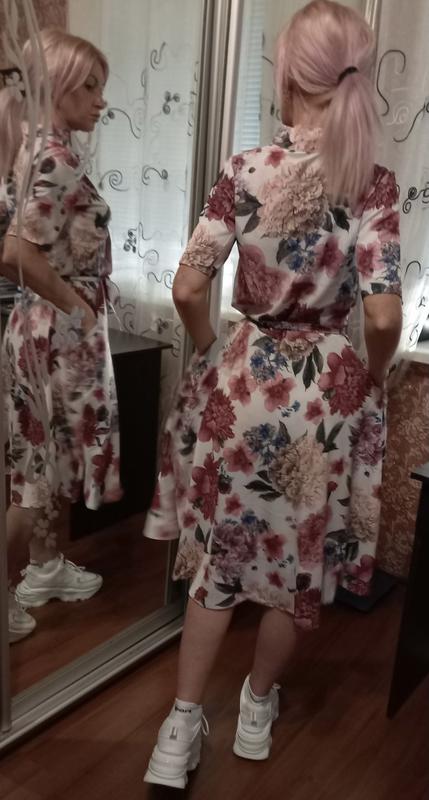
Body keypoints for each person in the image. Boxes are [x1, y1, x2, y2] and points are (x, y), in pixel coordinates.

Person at [143, 0, 403, 789]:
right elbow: (382, 315)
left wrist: (210, 350)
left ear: (288, 75)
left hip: (246, 378)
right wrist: (370, 373)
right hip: (323, 391)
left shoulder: (245, 170)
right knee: (295, 570)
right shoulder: (373, 184)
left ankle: (178, 727)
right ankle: (256, 704)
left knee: (219, 562)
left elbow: (188, 287)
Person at [0, 29, 122, 642]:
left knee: (41, 460)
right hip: (55, 330)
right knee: (33, 474)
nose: (101, 100)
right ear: (59, 86)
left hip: (41, 325)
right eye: (90, 86)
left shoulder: (32, 146)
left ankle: (44, 567)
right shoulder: (54, 157)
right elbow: (14, 252)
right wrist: (78, 309)